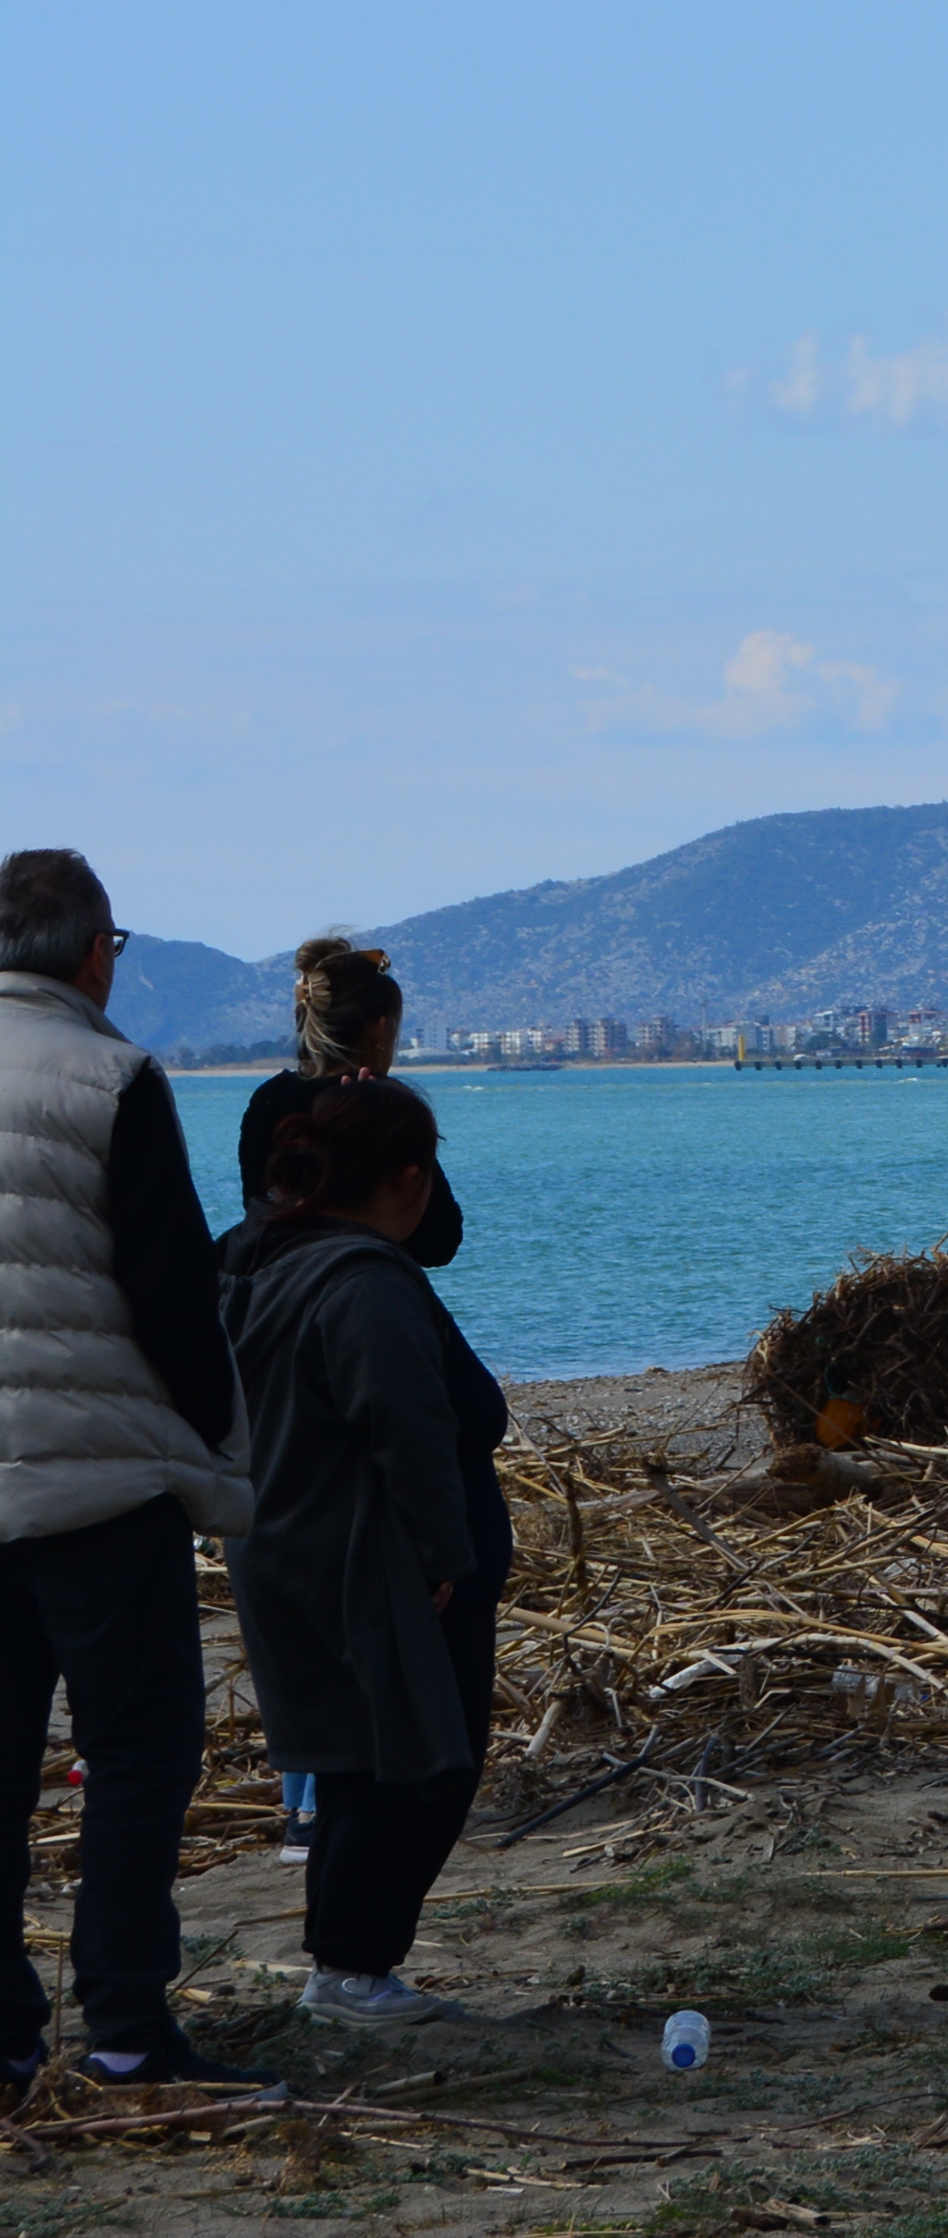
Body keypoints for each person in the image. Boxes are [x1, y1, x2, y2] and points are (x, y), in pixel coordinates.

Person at [0, 852, 265, 2088]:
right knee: (139, 1757)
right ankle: (123, 2028)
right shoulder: (111, 1077)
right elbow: (172, 1293)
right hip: (100, 1489)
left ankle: (5, 2037)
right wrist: (219, 1446)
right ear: (93, 954)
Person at [221, 1080, 505, 2028]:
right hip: (368, 1554)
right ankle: (351, 1966)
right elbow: (405, 1423)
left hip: (286, 1540)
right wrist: (442, 1552)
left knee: (357, 1758)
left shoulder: (257, 1258)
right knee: (421, 1760)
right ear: (409, 1179)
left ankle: (345, 1964)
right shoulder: (361, 1282)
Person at [233, 939, 460, 1268]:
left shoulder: (269, 1098)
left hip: (273, 1283)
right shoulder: (382, 1103)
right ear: (380, 1028)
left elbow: (255, 1207)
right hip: (359, 1280)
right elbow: (439, 1240)